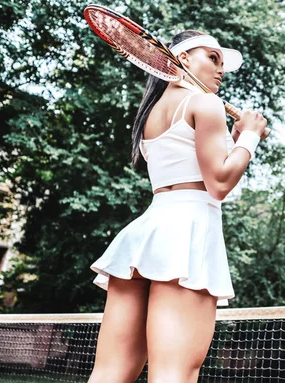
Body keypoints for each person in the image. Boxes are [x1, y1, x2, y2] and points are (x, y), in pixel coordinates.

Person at [87, 30, 267, 383]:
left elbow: (195, 171)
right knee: (174, 375)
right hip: (187, 236)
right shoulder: (206, 103)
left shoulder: (152, 113)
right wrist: (250, 137)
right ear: (182, 59)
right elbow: (218, 184)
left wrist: (233, 142)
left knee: (110, 373)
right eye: (212, 58)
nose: (220, 70)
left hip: (145, 237)